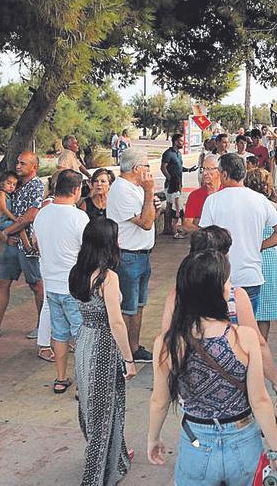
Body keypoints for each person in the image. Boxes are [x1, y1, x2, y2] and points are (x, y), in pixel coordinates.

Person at [147, 250, 277, 485]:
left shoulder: (168, 343)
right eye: (227, 281)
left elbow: (159, 401)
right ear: (217, 291)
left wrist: (153, 438)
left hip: (195, 443)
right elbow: (260, 401)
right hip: (244, 441)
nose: (230, 286)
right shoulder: (244, 338)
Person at [159, 225, 277, 405]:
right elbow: (259, 342)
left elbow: (166, 341)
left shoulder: (177, 294)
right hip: (235, 391)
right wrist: (276, 381)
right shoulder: (236, 297)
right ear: (223, 256)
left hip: (194, 391)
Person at [69, 218, 137, 485]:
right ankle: (96, 474)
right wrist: (129, 359)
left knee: (92, 407)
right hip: (105, 347)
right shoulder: (108, 277)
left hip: (84, 340)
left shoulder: (77, 272)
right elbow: (116, 321)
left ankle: (116, 457)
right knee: (105, 409)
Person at [198, 153, 277, 315]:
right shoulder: (260, 200)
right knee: (246, 330)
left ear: (225, 174)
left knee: (222, 330)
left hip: (220, 276)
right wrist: (260, 246)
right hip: (250, 277)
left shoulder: (213, 201)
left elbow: (204, 238)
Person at [0, 152, 45, 344]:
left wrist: (8, 231)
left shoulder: (36, 186)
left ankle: (43, 326)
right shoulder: (15, 186)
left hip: (26, 246)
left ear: (34, 167)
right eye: (17, 162)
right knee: (3, 282)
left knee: (36, 284)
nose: (18, 166)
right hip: (12, 245)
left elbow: (31, 214)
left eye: (23, 163)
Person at [34, 170, 90, 393]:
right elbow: (86, 252)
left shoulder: (42, 214)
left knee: (58, 334)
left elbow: (37, 243)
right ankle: (80, 384)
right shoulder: (78, 217)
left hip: (51, 284)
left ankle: (60, 378)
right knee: (81, 336)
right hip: (74, 287)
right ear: (76, 190)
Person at [107, 147, 158, 363]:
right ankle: (123, 352)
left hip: (142, 254)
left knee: (138, 305)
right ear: (137, 168)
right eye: (147, 166)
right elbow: (146, 223)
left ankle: (134, 347)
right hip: (128, 256)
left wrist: (152, 202)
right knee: (127, 307)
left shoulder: (135, 187)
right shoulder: (122, 190)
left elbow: (149, 215)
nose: (149, 171)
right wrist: (149, 193)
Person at [244, 169, 277, 339]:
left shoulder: (243, 206)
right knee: (266, 308)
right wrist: (262, 245)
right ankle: (262, 345)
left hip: (247, 256)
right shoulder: (273, 207)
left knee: (245, 307)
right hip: (268, 258)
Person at [160, 134, 197, 239]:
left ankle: (173, 228)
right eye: (181, 141)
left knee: (174, 205)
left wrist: (189, 170)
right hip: (171, 185)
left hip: (178, 183)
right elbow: (163, 167)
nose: (182, 143)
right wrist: (169, 178)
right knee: (170, 206)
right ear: (175, 142)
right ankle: (168, 228)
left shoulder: (179, 154)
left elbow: (179, 167)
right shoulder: (168, 153)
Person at [0, 171, 35, 254]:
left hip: (5, 220)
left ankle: (19, 244)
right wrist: (15, 219)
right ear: (2, 183)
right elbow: (3, 208)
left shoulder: (8, 195)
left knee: (18, 229)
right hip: (1, 221)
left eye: (14, 184)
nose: (11, 186)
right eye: (9, 183)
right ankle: (28, 248)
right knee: (20, 226)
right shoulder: (0, 194)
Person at [182, 155, 222, 233]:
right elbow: (187, 224)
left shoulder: (227, 193)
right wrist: (206, 232)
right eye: (203, 169)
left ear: (220, 171)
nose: (204, 173)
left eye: (209, 169)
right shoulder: (195, 195)